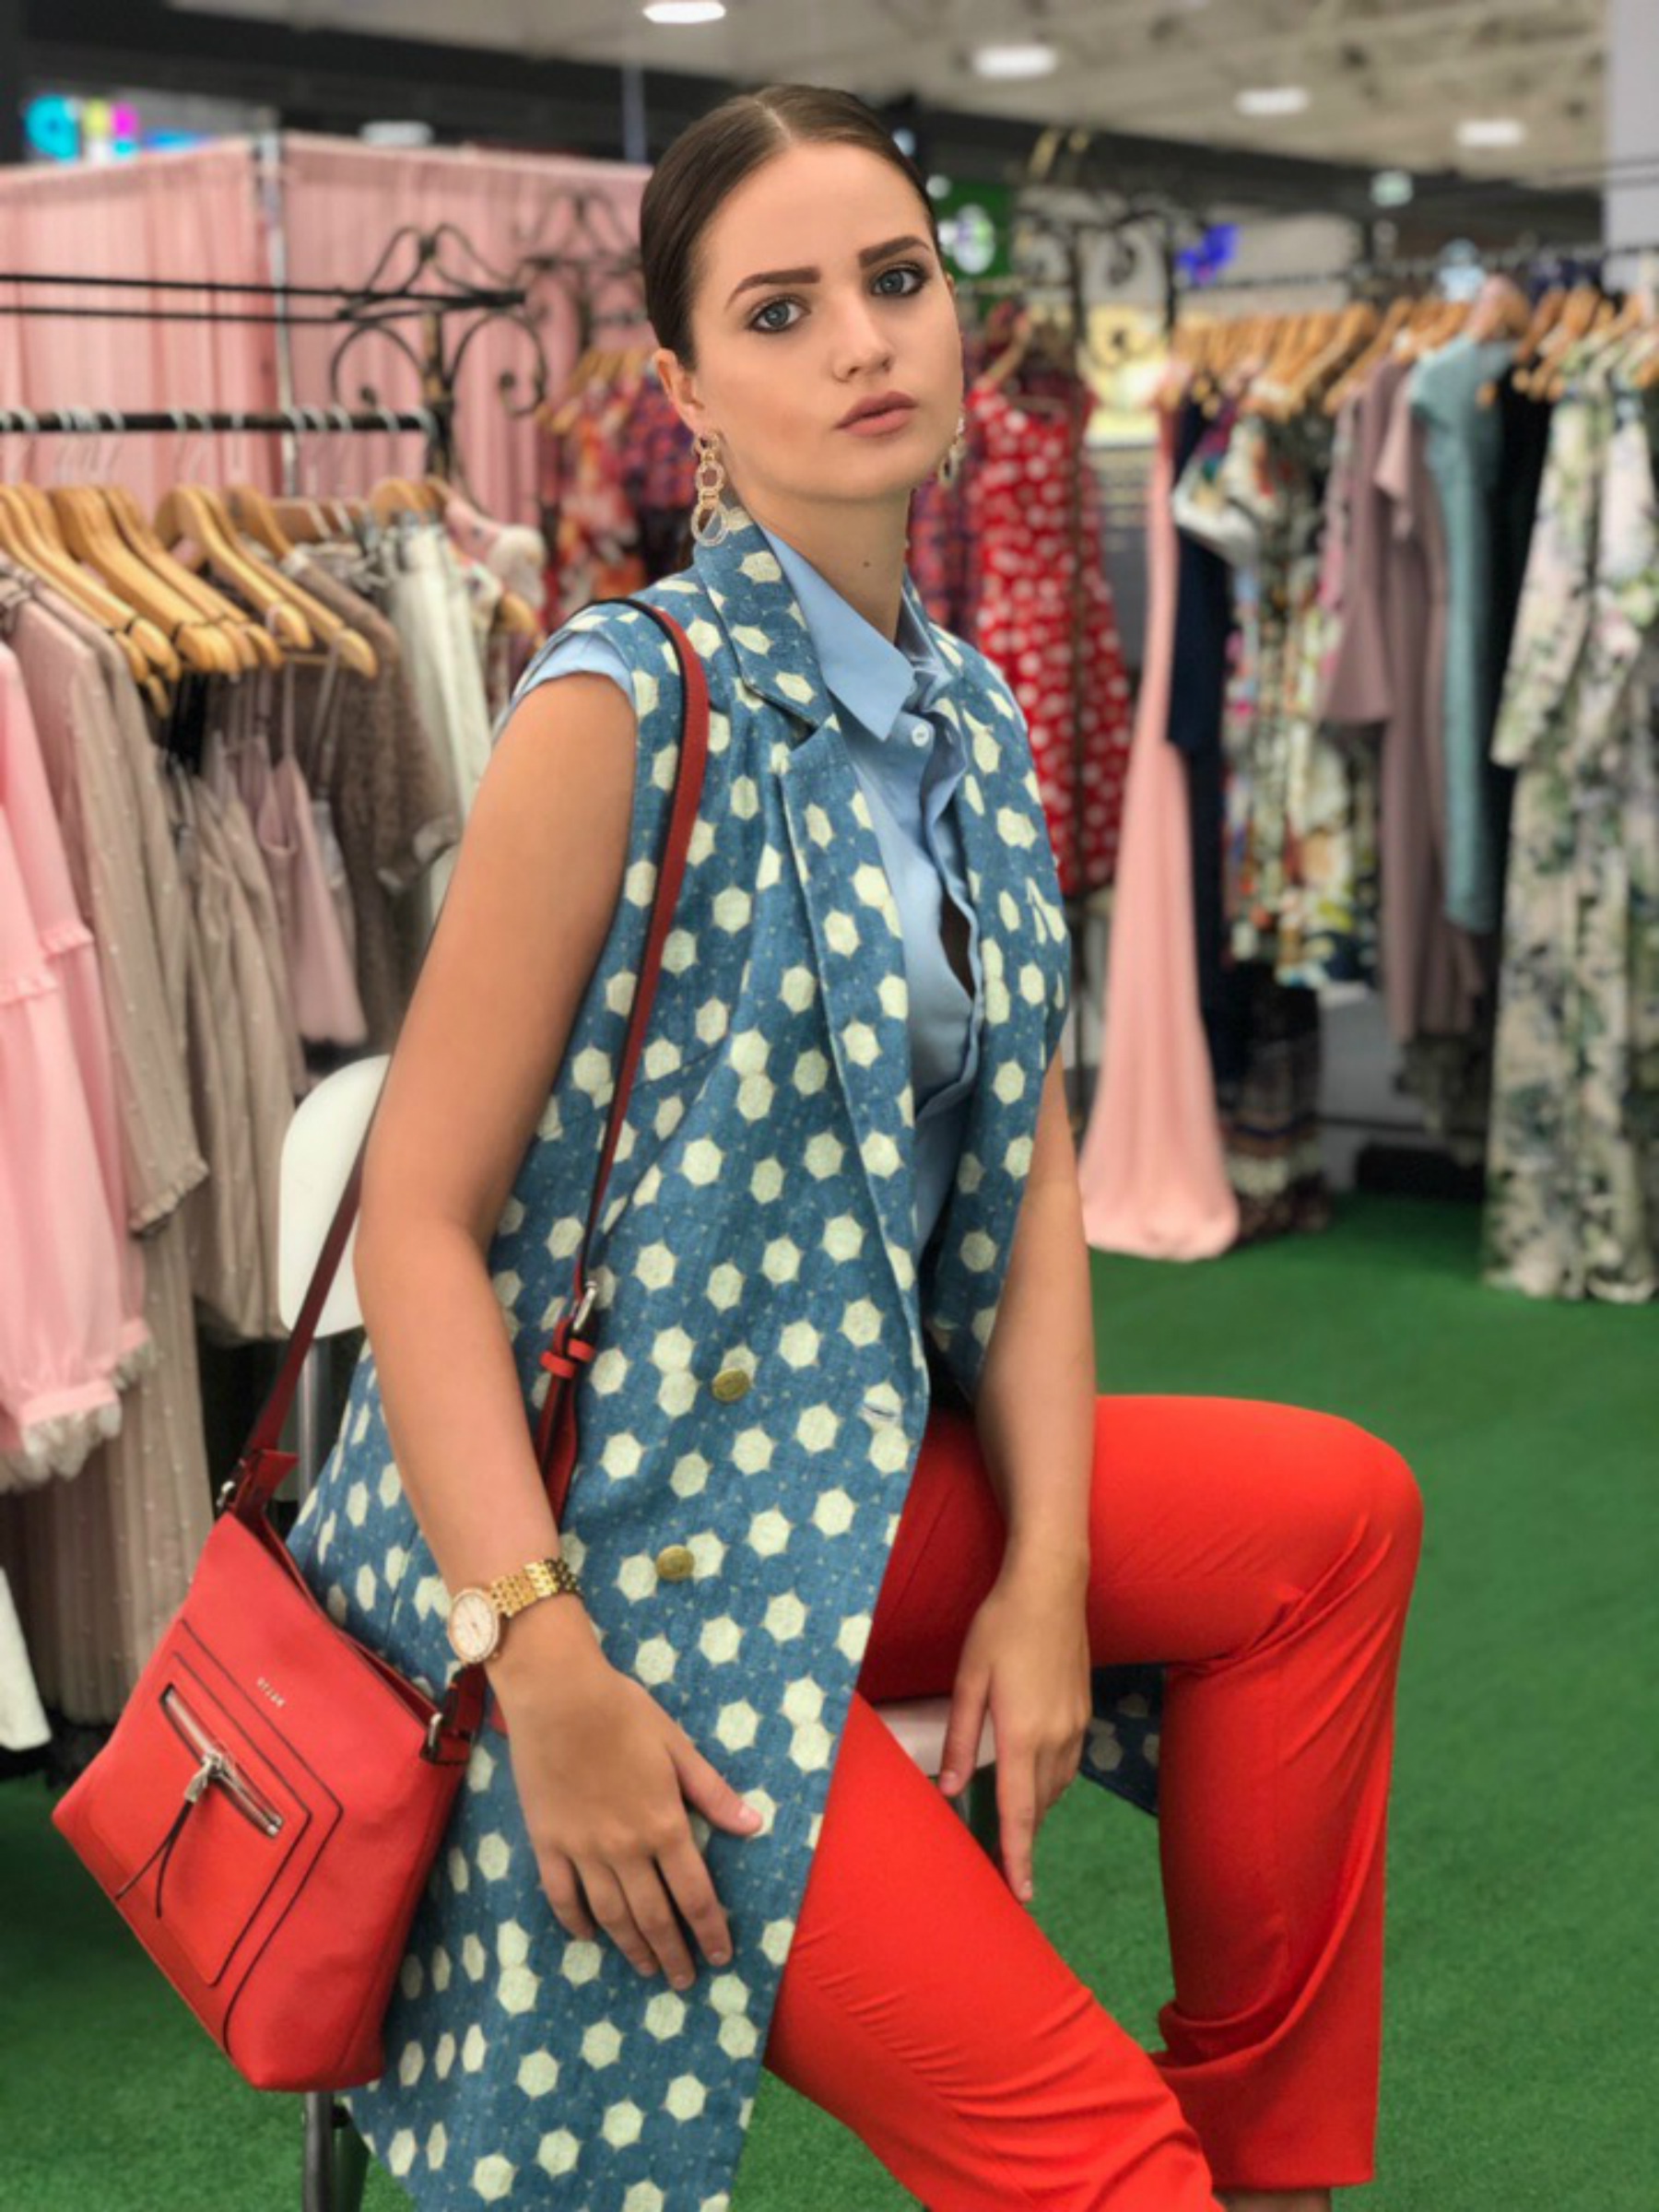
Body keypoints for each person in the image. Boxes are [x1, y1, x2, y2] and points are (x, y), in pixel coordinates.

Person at [288, 83, 1425, 2212]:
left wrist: (1049, 1581)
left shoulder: (969, 712)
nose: (863, 343)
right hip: (623, 1547)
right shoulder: (618, 703)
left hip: (852, 1465)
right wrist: (541, 1656)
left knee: (1337, 1514)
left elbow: (1034, 1177)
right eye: (781, 310)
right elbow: (418, 1226)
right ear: (686, 390)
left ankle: (1273, 2164)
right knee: (1101, 2172)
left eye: (896, 281)